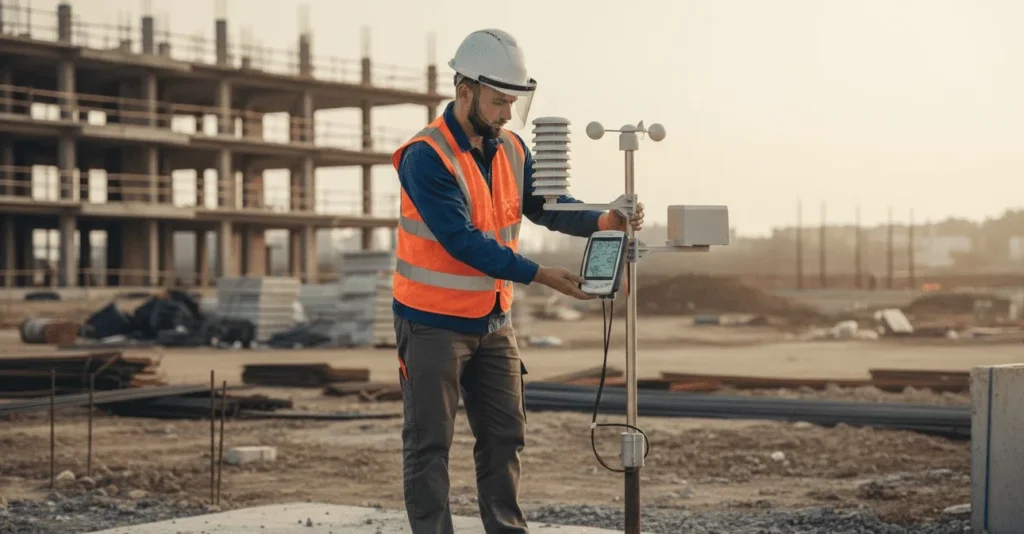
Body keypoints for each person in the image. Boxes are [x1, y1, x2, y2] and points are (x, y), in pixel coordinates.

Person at [391, 28, 644, 534]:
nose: (508, 113)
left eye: (514, 102)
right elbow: (462, 241)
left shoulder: (511, 148)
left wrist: (605, 219)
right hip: (431, 325)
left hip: (493, 320)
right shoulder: (426, 156)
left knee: (506, 435)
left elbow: (546, 205)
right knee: (430, 444)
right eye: (500, 101)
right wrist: (541, 275)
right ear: (465, 91)